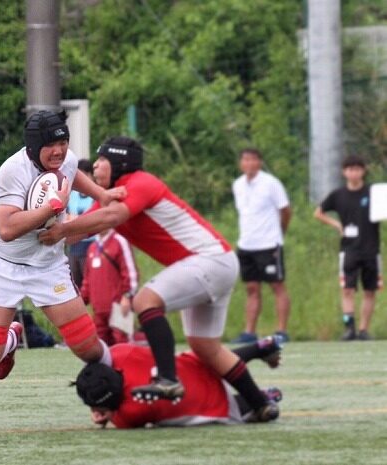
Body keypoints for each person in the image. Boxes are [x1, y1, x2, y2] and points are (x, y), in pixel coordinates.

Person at [40, 136, 278, 422]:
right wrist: (38, 222)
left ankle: (167, 379)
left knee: (145, 301)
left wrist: (61, 231)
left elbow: (111, 217)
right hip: (214, 264)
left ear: (120, 163)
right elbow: (76, 231)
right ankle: (260, 403)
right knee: (206, 348)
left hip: (209, 260)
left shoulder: (140, 182)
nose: (96, 166)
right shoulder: (111, 194)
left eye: (102, 160)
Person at [0, 110, 122, 381]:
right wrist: (52, 208)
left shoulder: (67, 158)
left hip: (47, 266)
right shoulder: (12, 170)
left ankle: (124, 377)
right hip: (2, 266)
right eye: (51, 145)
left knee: (88, 348)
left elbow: (71, 173)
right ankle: (11, 340)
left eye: (63, 143)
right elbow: (6, 229)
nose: (59, 151)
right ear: (33, 147)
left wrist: (102, 194)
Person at [75, 337, 283, 428]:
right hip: (189, 365)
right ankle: (258, 347)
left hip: (208, 403)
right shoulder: (121, 352)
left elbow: (121, 418)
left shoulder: (130, 413)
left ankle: (265, 397)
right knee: (212, 361)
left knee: (225, 406)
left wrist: (106, 415)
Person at [314, 155, 383, 341]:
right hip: (349, 249)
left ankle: (363, 330)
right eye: (350, 169)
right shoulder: (338, 195)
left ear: (363, 171)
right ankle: (349, 327)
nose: (354, 173)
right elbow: (318, 213)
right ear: (344, 172)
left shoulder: (373, 192)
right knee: (347, 289)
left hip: (371, 248)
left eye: (357, 169)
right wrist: (336, 224)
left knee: (370, 290)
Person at [231, 148, 292, 344]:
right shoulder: (238, 185)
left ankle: (281, 330)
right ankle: (249, 331)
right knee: (251, 287)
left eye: (253, 160)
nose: (249, 163)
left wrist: (280, 232)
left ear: (259, 162)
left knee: (277, 285)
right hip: (247, 243)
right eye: (245, 160)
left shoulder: (270, 183)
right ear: (241, 163)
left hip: (269, 243)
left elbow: (285, 210)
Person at [81, 228, 138, 346]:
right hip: (98, 310)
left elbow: (130, 273)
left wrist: (127, 296)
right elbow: (87, 280)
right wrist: (81, 302)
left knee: (123, 343)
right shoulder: (92, 247)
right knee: (101, 347)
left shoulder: (119, 241)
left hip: (119, 306)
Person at [67, 159, 96, 288]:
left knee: (91, 283)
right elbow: (66, 217)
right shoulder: (72, 195)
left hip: (91, 244)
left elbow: (94, 220)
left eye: (85, 175)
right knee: (74, 284)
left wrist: (75, 220)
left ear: (91, 175)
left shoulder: (96, 195)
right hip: (73, 245)